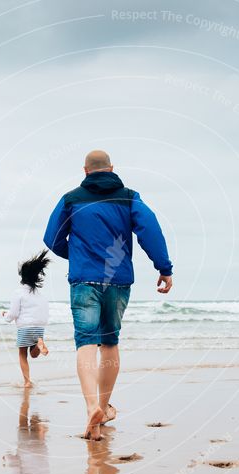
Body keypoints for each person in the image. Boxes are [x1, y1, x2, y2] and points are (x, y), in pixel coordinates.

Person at [43, 150, 173, 440]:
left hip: (84, 280)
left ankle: (92, 406)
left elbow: (51, 238)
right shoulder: (129, 198)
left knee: (85, 343)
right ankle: (103, 406)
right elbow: (150, 231)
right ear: (112, 169)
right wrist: (163, 267)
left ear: (85, 171)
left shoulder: (71, 199)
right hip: (118, 281)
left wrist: (77, 255)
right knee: (110, 343)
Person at [2, 249, 51, 388]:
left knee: (22, 354)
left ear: (22, 277)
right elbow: (44, 311)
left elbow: (13, 313)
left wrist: (6, 316)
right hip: (39, 327)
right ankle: (38, 343)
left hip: (25, 327)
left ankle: (27, 381)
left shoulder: (18, 293)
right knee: (34, 354)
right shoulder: (40, 294)